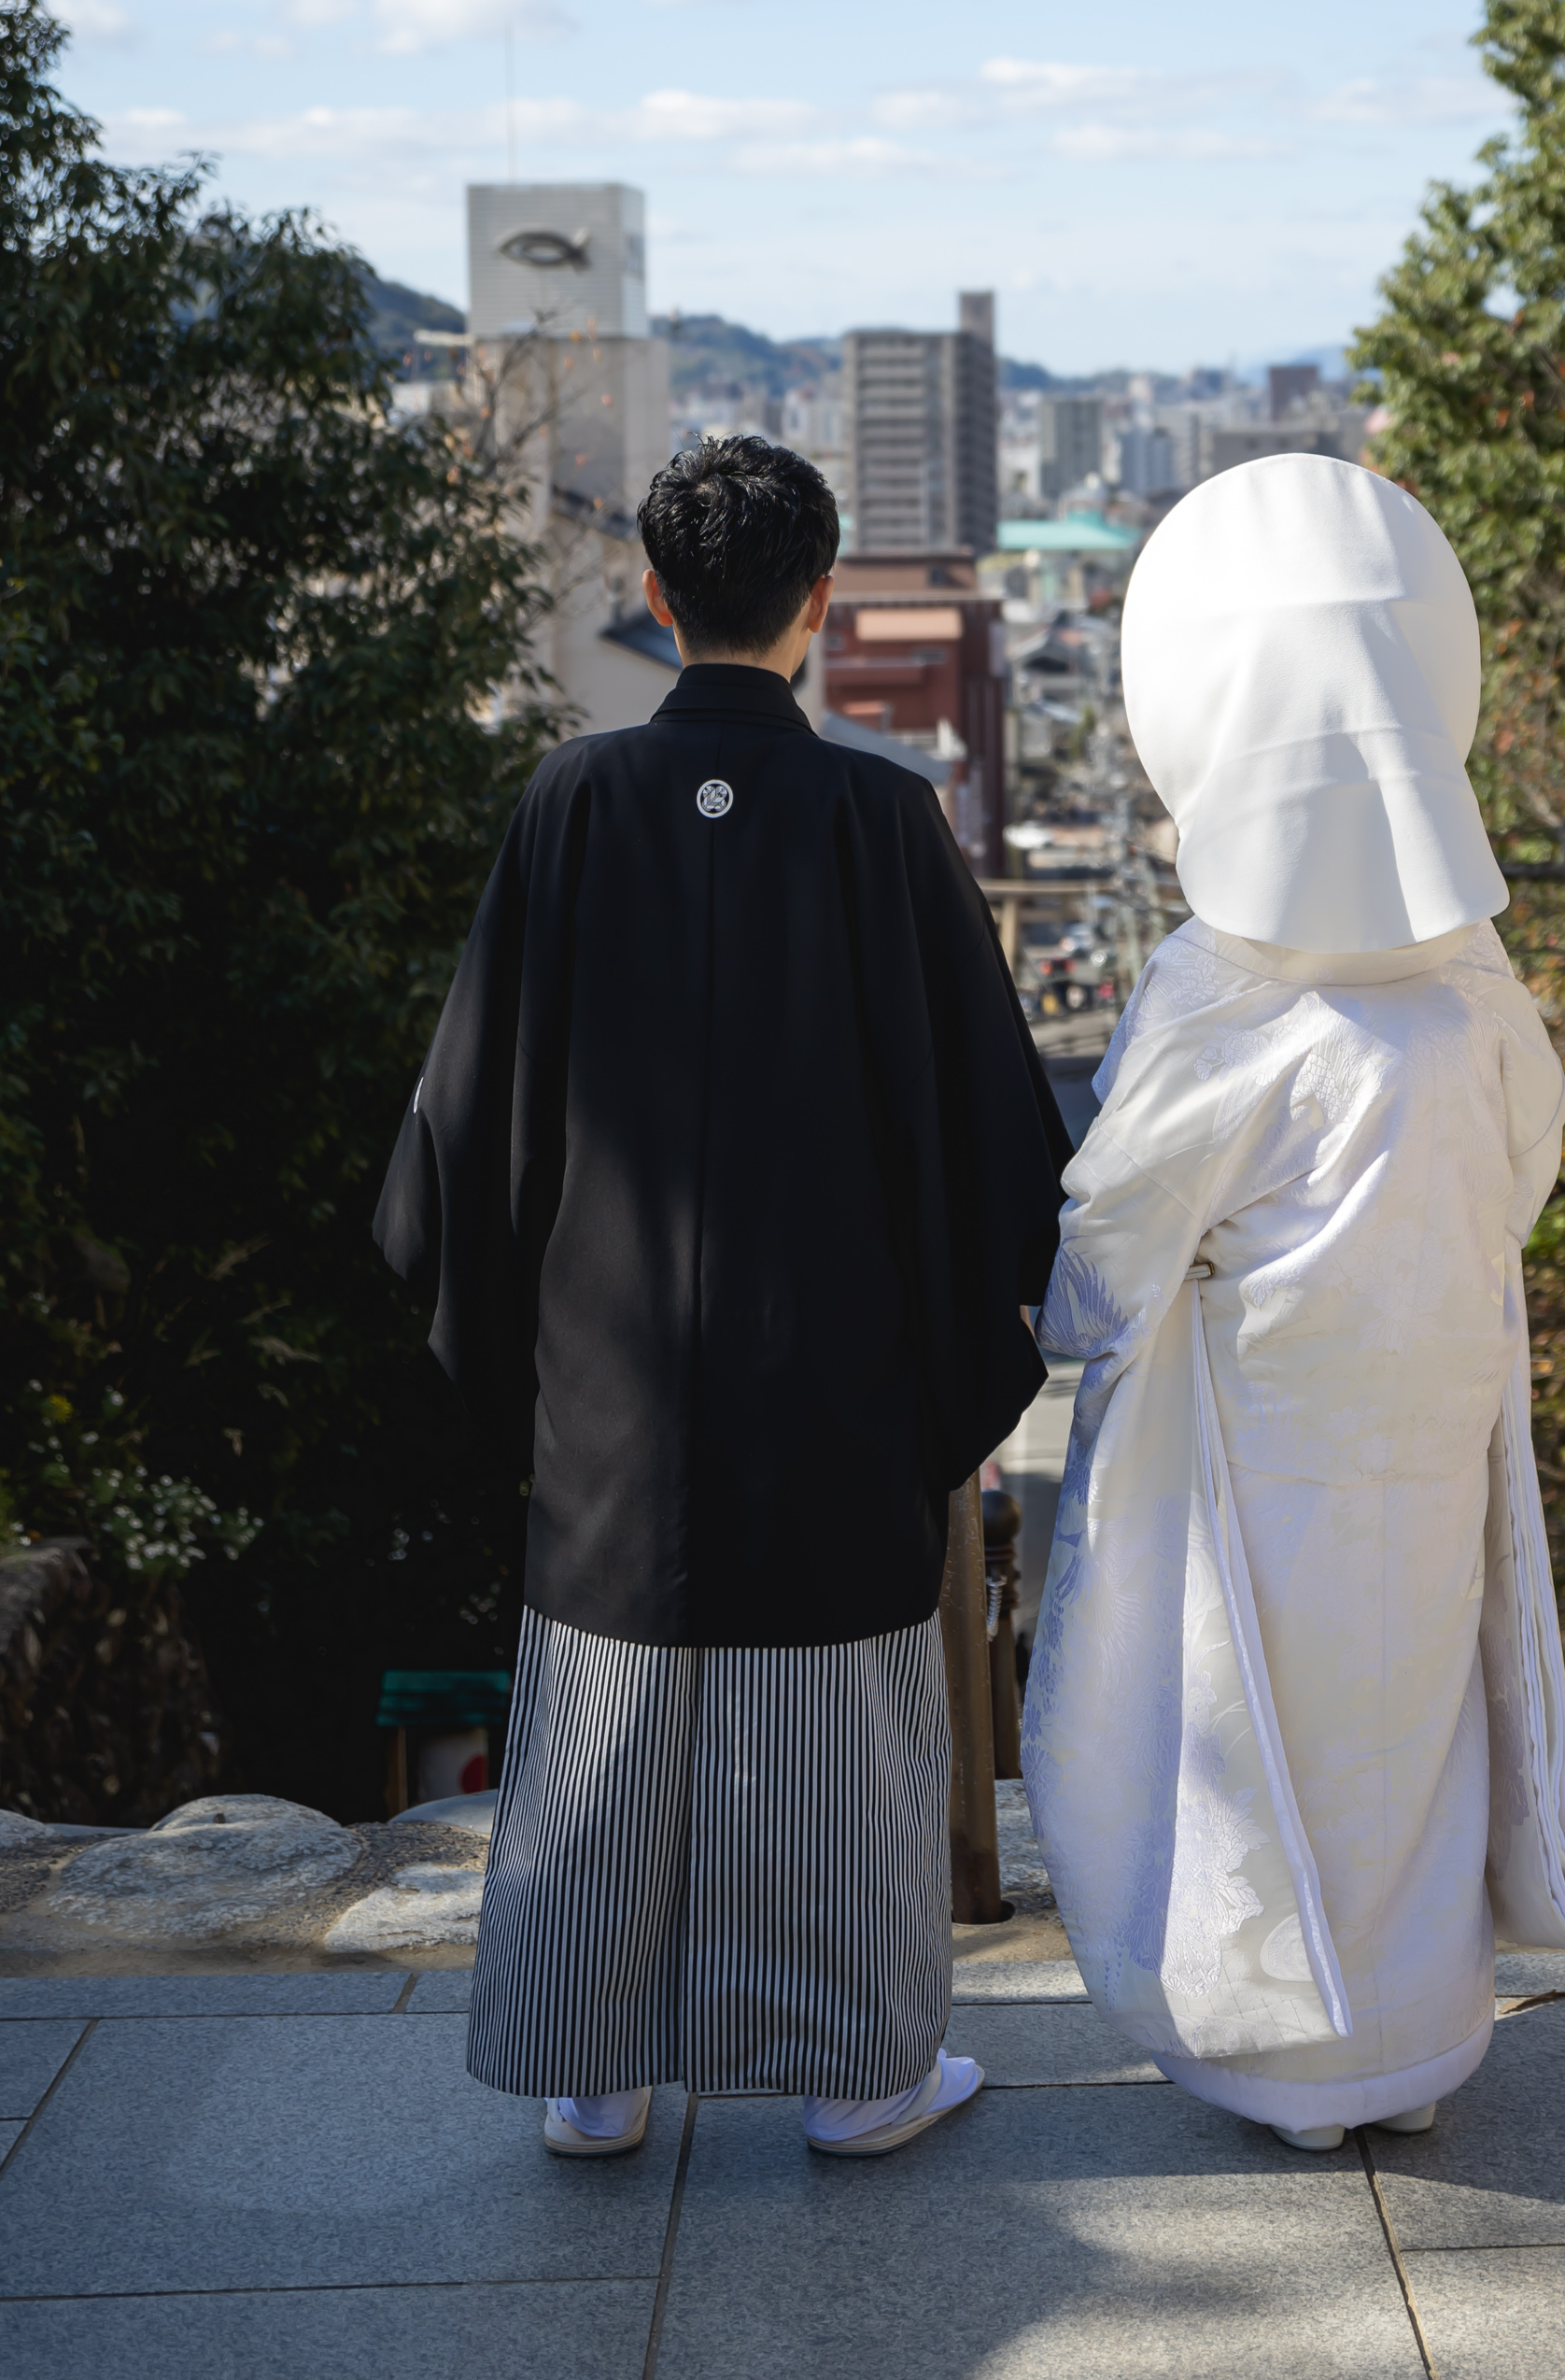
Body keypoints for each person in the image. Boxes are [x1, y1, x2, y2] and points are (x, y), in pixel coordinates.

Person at [375, 434, 1069, 2159]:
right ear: (820, 606)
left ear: (661, 599)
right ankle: (860, 2077)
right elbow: (999, 1129)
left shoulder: (570, 800)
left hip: (606, 1385)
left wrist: (514, 1359)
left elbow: (465, 1128)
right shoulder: (885, 821)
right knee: (837, 1732)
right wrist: (946, 1362)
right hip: (834, 1381)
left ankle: (589, 2073)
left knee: (601, 1721)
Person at [1021, 453, 1565, 2151]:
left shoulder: (1222, 982)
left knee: (1264, 1723)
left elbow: (1113, 1240)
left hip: (1268, 1429)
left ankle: (1289, 2060)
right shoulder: (1469, 960)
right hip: (1434, 1405)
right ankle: (1418, 2042)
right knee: (1412, 1723)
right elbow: (1524, 1169)